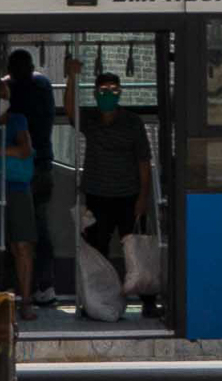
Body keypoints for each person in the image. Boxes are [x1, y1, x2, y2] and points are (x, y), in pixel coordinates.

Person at [62, 58, 157, 316]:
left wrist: (143, 198)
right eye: (103, 91)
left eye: (113, 91)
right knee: (97, 250)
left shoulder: (132, 122)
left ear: (120, 93)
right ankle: (97, 302)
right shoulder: (90, 119)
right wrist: (72, 77)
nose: (108, 96)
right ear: (95, 93)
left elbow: (144, 162)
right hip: (97, 196)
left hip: (128, 195)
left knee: (136, 250)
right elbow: (70, 110)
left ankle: (148, 302)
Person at [4, 49, 58, 306]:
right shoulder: (44, 86)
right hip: (44, 165)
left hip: (22, 171)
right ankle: (44, 284)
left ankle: (15, 284)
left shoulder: (16, 98)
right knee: (39, 228)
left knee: (18, 232)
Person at [0, 101, 38, 322]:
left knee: (22, 245)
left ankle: (26, 301)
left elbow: (24, 150)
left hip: (17, 189)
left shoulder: (17, 120)